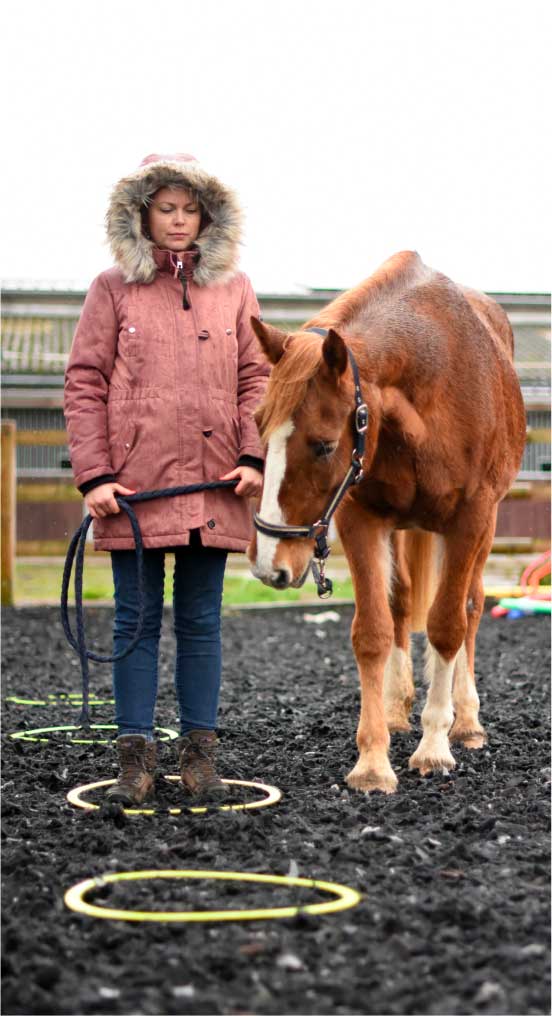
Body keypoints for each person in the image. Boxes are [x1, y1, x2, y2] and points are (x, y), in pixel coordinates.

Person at [64, 153, 269, 806]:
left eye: (189, 210)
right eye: (165, 209)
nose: (178, 221)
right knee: (136, 621)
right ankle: (134, 762)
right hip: (134, 491)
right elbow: (84, 381)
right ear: (142, 215)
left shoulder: (234, 287)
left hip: (215, 486)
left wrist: (253, 456)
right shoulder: (111, 287)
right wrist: (94, 474)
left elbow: (257, 377)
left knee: (203, 620)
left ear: (206, 216)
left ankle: (200, 761)